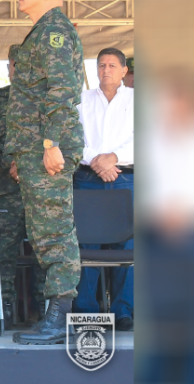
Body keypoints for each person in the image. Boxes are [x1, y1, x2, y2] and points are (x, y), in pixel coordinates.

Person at [6, 0, 85, 345]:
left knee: (54, 231)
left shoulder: (54, 32)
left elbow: (62, 91)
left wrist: (51, 144)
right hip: (36, 148)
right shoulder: (41, 32)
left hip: (48, 148)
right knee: (42, 231)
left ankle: (59, 317)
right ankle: (54, 314)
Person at [74, 47, 134, 331]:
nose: (106, 70)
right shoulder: (82, 100)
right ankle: (87, 311)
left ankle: (124, 312)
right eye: (101, 65)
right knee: (87, 246)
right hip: (88, 178)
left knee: (129, 246)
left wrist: (114, 158)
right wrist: (98, 160)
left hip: (127, 178)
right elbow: (72, 138)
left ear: (124, 70)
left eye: (112, 65)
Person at [0, 44, 45, 325]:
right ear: (8, 67)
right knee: (4, 253)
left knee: (44, 252)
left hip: (38, 188)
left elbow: (53, 139)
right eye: (14, 65)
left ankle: (45, 309)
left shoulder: (45, 100)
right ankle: (4, 309)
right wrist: (9, 160)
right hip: (4, 188)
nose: (19, 70)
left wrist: (28, 163)